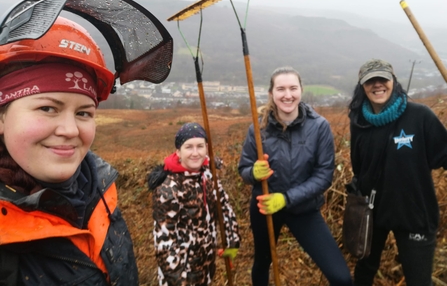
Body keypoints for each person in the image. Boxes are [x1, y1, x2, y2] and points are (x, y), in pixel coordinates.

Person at [0, 16, 139, 285]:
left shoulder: (99, 190)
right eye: (48, 108)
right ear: (2, 117)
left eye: (84, 113)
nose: (70, 130)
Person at [238, 66, 353, 286]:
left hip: (304, 209)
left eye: (293, 88)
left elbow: (323, 176)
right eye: (280, 89)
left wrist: (286, 198)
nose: (287, 95)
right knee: (262, 263)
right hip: (265, 208)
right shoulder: (258, 129)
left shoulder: (319, 127)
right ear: (271, 93)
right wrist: (253, 173)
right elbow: (243, 169)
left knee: (341, 278)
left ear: (301, 90)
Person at [348, 58, 447, 286]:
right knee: (364, 273)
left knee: (418, 281)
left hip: (414, 212)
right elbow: (358, 166)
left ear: (393, 81)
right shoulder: (359, 122)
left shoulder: (420, 116)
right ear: (362, 86)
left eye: (383, 78)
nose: (377, 84)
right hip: (372, 213)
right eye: (370, 81)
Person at [147, 122, 241, 286]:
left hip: (205, 264)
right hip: (181, 273)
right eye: (189, 147)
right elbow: (165, 242)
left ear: (206, 149)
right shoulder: (169, 188)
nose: (195, 153)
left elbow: (224, 208)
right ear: (178, 151)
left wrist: (232, 241)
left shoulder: (208, 175)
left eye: (200, 146)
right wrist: (178, 279)